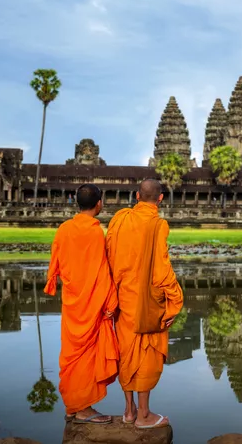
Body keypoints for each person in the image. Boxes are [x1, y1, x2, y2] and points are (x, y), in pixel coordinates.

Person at [106, 179, 184, 429]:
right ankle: (144, 415)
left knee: (126, 351)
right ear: (160, 199)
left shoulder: (120, 218)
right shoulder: (158, 224)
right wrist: (175, 300)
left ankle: (128, 410)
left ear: (137, 195)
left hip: (122, 298)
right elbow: (161, 269)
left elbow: (109, 255)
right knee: (146, 353)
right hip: (147, 302)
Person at [44, 183, 119, 425]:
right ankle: (83, 409)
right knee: (86, 355)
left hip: (73, 300)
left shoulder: (64, 228)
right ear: (99, 203)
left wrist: (55, 282)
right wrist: (110, 301)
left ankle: (73, 406)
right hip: (91, 302)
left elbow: (55, 262)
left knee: (71, 354)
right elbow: (101, 270)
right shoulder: (95, 232)